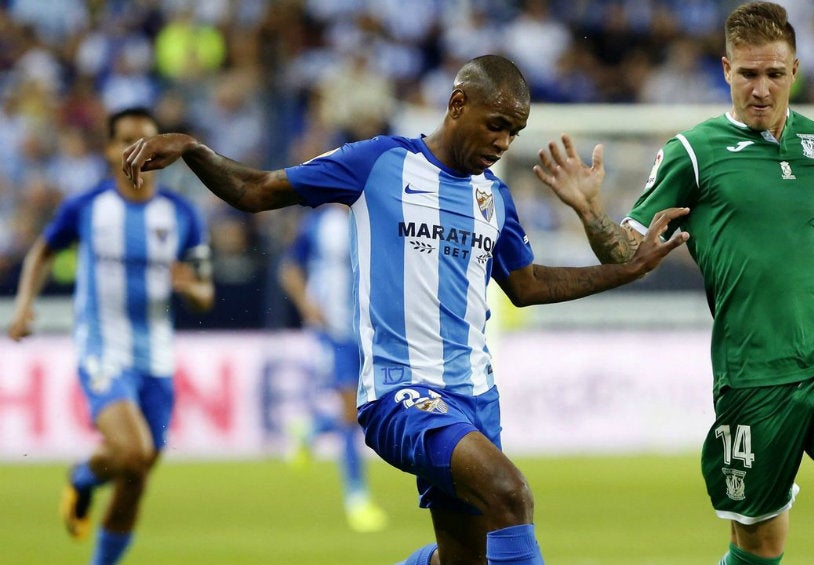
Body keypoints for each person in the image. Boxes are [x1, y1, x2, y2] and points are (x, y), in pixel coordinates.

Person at [119, 54, 690, 565]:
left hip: (475, 398)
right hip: (399, 393)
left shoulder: (493, 196)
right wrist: (195, 150)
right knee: (510, 493)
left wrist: (628, 268)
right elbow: (258, 190)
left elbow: (528, 284)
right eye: (496, 125)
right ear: (458, 104)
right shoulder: (378, 163)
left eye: (512, 133)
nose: (501, 143)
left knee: (464, 559)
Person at [532, 4, 814, 565]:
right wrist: (590, 214)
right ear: (726, 70)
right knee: (759, 550)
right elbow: (628, 250)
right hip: (754, 377)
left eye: (774, 73)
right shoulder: (693, 153)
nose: (761, 88)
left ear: (794, 70)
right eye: (748, 74)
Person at [7, 106, 215, 565]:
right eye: (125, 140)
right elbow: (42, 250)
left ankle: (85, 482)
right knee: (134, 451)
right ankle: (88, 503)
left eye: (147, 140)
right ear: (107, 149)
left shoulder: (183, 215)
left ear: (162, 151)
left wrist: (192, 286)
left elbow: (205, 290)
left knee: (136, 470)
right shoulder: (87, 206)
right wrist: (24, 308)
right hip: (103, 348)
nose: (136, 150)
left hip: (157, 357)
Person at [279, 203, 389, 533]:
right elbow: (289, 268)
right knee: (350, 412)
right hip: (334, 331)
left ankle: (310, 430)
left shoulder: (377, 217)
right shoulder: (319, 224)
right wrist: (307, 304)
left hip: (371, 331)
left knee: (361, 411)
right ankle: (357, 498)